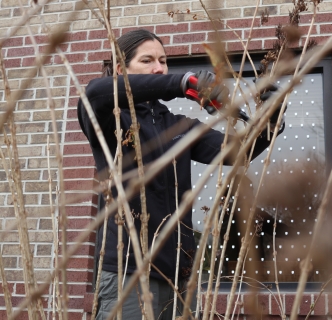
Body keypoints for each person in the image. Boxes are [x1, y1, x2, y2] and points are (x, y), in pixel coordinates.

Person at [77, 29, 285, 320]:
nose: (159, 67)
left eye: (163, 61)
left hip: (180, 276)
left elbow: (237, 152)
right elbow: (96, 92)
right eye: (147, 60)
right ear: (122, 70)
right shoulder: (110, 118)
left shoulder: (179, 126)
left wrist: (269, 123)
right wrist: (180, 82)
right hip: (128, 271)